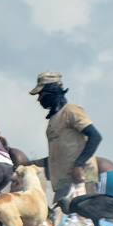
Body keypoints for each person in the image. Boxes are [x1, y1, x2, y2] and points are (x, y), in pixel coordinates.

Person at [26, 72, 101, 201]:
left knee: (82, 216)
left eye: (41, 94)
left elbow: (95, 137)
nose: (39, 99)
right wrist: (29, 164)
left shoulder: (71, 111)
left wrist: (79, 165)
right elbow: (60, 155)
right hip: (63, 181)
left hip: (81, 177)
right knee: (59, 215)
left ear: (52, 91)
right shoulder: (54, 120)